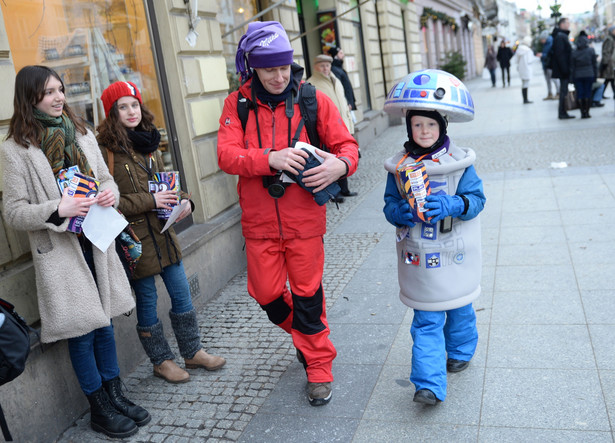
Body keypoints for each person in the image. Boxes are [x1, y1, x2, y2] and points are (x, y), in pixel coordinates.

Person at [1, 65, 150, 438]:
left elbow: (105, 178)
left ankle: (116, 394)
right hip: (62, 250)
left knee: (106, 324)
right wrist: (57, 209)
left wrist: (110, 192)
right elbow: (13, 212)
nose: (58, 97)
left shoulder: (81, 133)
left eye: (60, 89)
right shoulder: (15, 150)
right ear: (29, 98)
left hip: (96, 240)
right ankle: (98, 407)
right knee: (83, 331)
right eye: (48, 92)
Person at [217, 21, 359, 406]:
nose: (279, 77)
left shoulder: (313, 99)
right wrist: (270, 158)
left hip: (304, 224)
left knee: (308, 295)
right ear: (252, 68)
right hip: (260, 225)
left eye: (284, 67)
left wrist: (340, 166)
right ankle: (308, 337)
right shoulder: (238, 104)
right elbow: (226, 155)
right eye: (269, 69)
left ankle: (318, 367)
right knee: (265, 294)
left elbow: (348, 146)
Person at [97, 81, 226, 384]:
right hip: (136, 241)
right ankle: (161, 360)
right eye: (123, 107)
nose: (131, 112)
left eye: (134, 105)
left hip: (165, 234)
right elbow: (110, 202)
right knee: (147, 300)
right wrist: (151, 201)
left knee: (182, 294)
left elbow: (163, 184)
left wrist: (185, 200)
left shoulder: (149, 142)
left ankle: (192, 351)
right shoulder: (107, 152)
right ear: (112, 113)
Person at [381, 69, 486, 405]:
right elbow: (389, 205)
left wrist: (453, 204)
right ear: (409, 127)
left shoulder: (459, 163)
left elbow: (477, 201)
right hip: (420, 258)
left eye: (430, 125)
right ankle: (428, 384)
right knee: (426, 318)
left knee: (459, 308)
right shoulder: (399, 167)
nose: (424, 131)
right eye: (417, 125)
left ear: (442, 126)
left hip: (455, 253)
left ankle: (459, 350)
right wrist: (402, 212)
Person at [307, 54, 357, 201]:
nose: (325, 68)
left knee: (342, 157)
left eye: (327, 66)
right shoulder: (312, 84)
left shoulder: (335, 79)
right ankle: (334, 193)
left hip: (342, 126)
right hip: (326, 130)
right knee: (329, 162)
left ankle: (345, 190)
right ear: (316, 67)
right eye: (322, 66)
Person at [327, 46, 358, 199]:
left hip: (346, 112)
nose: (343, 55)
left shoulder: (338, 71)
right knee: (338, 154)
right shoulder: (334, 72)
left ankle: (343, 189)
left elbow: (345, 90)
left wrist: (351, 103)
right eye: (340, 53)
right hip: (338, 119)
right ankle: (338, 190)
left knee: (346, 150)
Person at [551, 17, 575, 119]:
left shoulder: (561, 35)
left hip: (563, 69)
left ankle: (563, 111)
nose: (569, 25)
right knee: (563, 91)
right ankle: (562, 112)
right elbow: (561, 55)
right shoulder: (561, 36)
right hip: (563, 70)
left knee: (563, 90)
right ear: (562, 24)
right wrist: (565, 70)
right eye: (567, 23)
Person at [571, 31, 598, 118]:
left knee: (580, 93)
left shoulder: (574, 52)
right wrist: (595, 75)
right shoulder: (591, 50)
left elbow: (572, 67)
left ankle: (582, 112)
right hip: (589, 74)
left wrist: (571, 78)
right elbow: (595, 65)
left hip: (578, 76)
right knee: (588, 93)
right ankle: (587, 112)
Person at [539, 29, 560, 100]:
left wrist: (542, 55)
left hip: (550, 65)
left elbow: (549, 54)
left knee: (554, 79)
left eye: (541, 39)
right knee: (548, 80)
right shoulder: (546, 44)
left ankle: (558, 93)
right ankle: (550, 93)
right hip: (546, 64)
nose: (541, 41)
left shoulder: (550, 42)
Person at [515, 36, 536, 104]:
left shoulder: (519, 49)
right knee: (526, 84)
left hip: (521, 69)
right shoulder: (528, 50)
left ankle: (524, 98)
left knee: (523, 83)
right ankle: (525, 99)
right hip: (527, 69)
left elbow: (516, 60)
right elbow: (530, 60)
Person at [600, 25, 615, 98]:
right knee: (610, 79)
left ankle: (601, 94)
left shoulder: (611, 38)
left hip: (610, 63)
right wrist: (606, 63)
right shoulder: (609, 39)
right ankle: (600, 94)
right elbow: (606, 52)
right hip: (609, 63)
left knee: (610, 79)